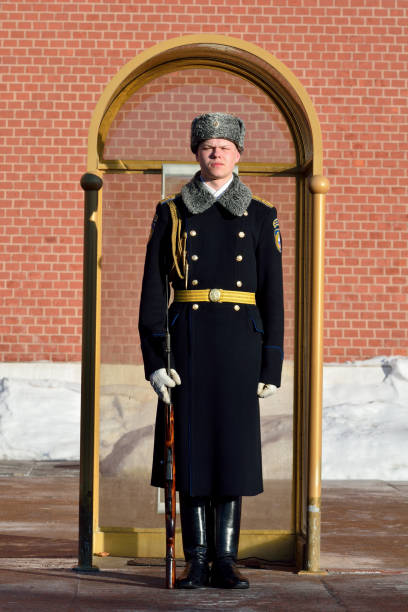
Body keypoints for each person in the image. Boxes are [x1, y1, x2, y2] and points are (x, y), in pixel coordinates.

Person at [138, 113, 284, 589]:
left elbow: (273, 293)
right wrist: (156, 363)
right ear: (195, 154)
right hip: (189, 345)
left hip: (240, 345)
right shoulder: (173, 212)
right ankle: (196, 559)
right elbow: (152, 293)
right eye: (207, 146)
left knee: (232, 453)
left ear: (238, 154)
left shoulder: (261, 215)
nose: (215, 153)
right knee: (192, 453)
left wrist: (271, 362)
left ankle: (225, 559)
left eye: (224, 145)